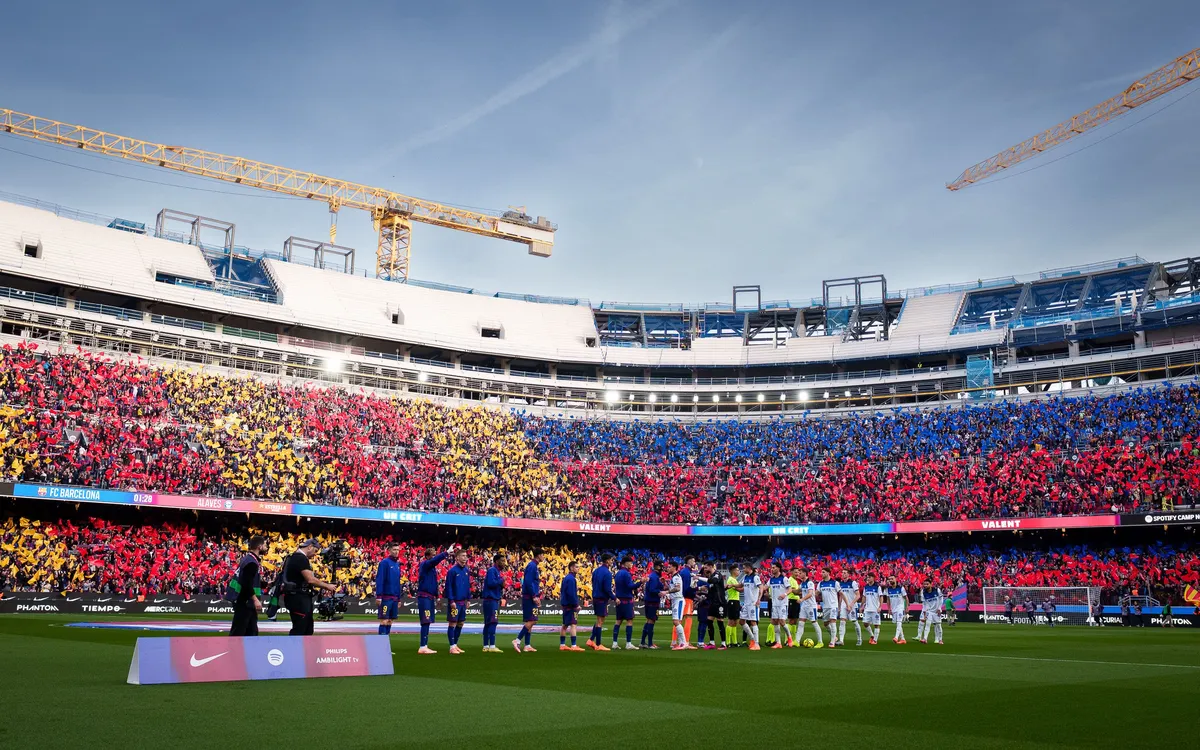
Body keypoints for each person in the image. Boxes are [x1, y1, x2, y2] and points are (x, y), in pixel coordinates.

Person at [282, 538, 337, 637]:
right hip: (299, 598)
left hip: (296, 597)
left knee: (305, 628)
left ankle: (300, 651)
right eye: (315, 551)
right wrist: (327, 586)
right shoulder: (300, 558)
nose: (315, 554)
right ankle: (294, 651)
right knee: (301, 629)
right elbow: (310, 579)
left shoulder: (293, 557)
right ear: (310, 547)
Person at [416, 545, 455, 654]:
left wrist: (437, 597)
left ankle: (424, 645)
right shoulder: (425, 564)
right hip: (424, 596)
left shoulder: (431, 569)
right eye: (433, 556)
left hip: (429, 597)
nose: (434, 558)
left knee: (427, 621)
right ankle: (423, 646)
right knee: (425, 621)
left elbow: (434, 584)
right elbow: (434, 561)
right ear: (427, 556)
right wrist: (445, 553)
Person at [228, 535, 267, 637]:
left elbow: (248, 579)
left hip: (243, 600)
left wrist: (265, 584)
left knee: (251, 631)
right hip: (245, 602)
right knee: (240, 631)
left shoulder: (248, 559)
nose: (266, 547)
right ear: (259, 546)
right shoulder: (252, 563)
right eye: (265, 545)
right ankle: (234, 651)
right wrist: (255, 600)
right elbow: (246, 583)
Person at [514, 550, 544, 653]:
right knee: (532, 620)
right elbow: (528, 582)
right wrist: (534, 596)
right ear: (538, 555)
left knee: (530, 621)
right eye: (542, 554)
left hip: (530, 596)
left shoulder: (533, 566)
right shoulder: (532, 566)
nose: (543, 557)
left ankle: (527, 645)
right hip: (530, 597)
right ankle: (517, 640)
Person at [444, 549, 471, 654]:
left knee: (461, 623)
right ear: (457, 558)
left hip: (463, 602)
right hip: (455, 601)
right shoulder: (452, 571)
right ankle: (451, 647)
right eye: (463, 556)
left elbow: (468, 586)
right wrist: (451, 601)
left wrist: (468, 599)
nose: (465, 558)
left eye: (466, 556)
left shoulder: (466, 571)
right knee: (452, 623)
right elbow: (448, 587)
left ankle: (455, 644)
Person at [613, 555, 642, 650]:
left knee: (618, 621)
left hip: (619, 599)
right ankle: (628, 643)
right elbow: (630, 586)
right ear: (626, 563)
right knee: (629, 620)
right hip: (626, 599)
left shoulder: (618, 573)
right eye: (630, 562)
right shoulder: (626, 574)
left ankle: (614, 643)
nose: (632, 564)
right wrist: (640, 582)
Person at [588, 553, 614, 651]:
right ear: (607, 561)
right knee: (600, 621)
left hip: (596, 597)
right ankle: (598, 644)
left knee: (600, 619)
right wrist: (614, 598)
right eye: (611, 560)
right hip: (602, 598)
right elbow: (607, 589)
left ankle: (591, 640)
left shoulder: (596, 571)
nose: (612, 562)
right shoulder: (607, 573)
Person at [374, 542, 401, 636]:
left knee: (390, 621)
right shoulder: (384, 563)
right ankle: (380, 646)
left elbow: (397, 583)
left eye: (398, 550)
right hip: (385, 597)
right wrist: (379, 596)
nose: (396, 551)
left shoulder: (397, 564)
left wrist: (399, 598)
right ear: (389, 550)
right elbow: (380, 579)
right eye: (394, 549)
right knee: (384, 621)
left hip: (394, 598)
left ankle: (385, 646)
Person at [481, 553, 506, 652]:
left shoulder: (496, 571)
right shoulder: (493, 570)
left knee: (488, 623)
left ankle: (486, 646)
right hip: (491, 600)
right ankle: (492, 646)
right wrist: (501, 581)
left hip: (491, 599)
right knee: (492, 622)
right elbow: (491, 583)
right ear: (496, 561)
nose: (504, 563)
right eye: (502, 561)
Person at [736, 563, 762, 651]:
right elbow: (740, 585)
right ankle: (752, 639)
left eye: (744, 568)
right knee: (741, 621)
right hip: (746, 604)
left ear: (749, 568)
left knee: (753, 622)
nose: (743, 570)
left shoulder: (755, 577)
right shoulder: (746, 577)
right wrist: (731, 586)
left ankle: (757, 644)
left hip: (753, 604)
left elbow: (761, 587)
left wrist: (759, 599)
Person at [559, 561, 584, 651]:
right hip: (570, 606)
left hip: (566, 605)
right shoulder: (571, 579)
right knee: (573, 624)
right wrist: (576, 605)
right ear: (571, 568)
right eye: (576, 567)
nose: (578, 568)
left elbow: (563, 592)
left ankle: (562, 645)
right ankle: (573, 646)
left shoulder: (566, 578)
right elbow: (571, 593)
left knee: (564, 625)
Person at [666, 561, 690, 651]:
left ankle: (683, 643)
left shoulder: (676, 577)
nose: (667, 568)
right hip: (676, 600)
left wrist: (666, 592)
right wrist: (665, 584)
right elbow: (673, 587)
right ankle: (681, 642)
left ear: (674, 568)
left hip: (678, 600)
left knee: (676, 621)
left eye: (669, 567)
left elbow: (678, 588)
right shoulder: (674, 577)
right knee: (677, 622)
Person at [795, 568, 823, 648]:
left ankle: (820, 642)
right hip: (804, 606)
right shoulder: (802, 583)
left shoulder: (809, 583)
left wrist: (802, 599)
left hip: (811, 606)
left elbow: (810, 594)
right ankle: (797, 641)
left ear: (805, 573)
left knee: (814, 623)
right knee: (801, 623)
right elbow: (798, 591)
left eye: (800, 573)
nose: (799, 574)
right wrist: (789, 589)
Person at [704, 562, 728, 649]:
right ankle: (711, 643)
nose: (705, 569)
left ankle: (724, 644)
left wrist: (698, 578)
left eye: (706, 567)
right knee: (709, 621)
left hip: (720, 602)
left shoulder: (717, 574)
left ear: (711, 566)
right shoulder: (710, 576)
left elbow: (713, 581)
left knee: (720, 621)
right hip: (713, 602)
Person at [641, 561, 663, 648]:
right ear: (657, 567)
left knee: (649, 620)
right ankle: (650, 643)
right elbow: (652, 589)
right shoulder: (654, 577)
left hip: (650, 601)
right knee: (651, 621)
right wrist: (660, 592)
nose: (662, 568)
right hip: (652, 601)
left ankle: (643, 642)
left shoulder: (653, 576)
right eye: (661, 566)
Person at [767, 561, 789, 649]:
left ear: (778, 568)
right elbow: (765, 587)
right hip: (774, 604)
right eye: (771, 568)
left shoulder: (784, 579)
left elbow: (790, 589)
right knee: (775, 622)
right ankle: (778, 643)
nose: (772, 569)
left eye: (773, 568)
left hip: (783, 604)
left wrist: (785, 594)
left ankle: (789, 637)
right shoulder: (771, 579)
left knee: (782, 622)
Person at [837, 568, 862, 647]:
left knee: (855, 622)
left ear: (848, 574)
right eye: (842, 573)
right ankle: (841, 640)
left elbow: (858, 595)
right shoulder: (840, 584)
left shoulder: (853, 583)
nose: (843, 574)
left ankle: (859, 639)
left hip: (852, 606)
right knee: (842, 621)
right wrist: (839, 606)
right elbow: (841, 596)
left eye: (845, 573)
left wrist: (851, 604)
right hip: (844, 605)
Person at [818, 568, 840, 648]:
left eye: (823, 572)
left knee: (832, 621)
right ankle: (835, 637)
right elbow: (816, 593)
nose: (821, 573)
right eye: (821, 572)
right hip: (825, 606)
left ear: (828, 573)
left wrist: (847, 604)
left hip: (833, 606)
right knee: (825, 623)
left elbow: (841, 593)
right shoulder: (820, 583)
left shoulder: (835, 583)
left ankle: (832, 641)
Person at [693, 563, 712, 649]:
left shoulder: (705, 579)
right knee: (703, 622)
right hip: (704, 603)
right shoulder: (702, 580)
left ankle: (700, 641)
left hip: (705, 603)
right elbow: (695, 591)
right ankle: (700, 641)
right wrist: (700, 597)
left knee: (703, 622)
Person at [861, 572, 883, 645]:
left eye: (869, 577)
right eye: (867, 577)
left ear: (873, 578)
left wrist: (880, 606)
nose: (868, 578)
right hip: (867, 608)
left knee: (876, 624)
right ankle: (872, 635)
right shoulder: (866, 587)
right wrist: (861, 606)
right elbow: (864, 597)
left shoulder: (877, 587)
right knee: (865, 623)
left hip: (875, 609)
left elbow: (881, 597)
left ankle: (875, 640)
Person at [885, 575, 907, 644]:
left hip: (900, 607)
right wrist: (889, 609)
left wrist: (907, 607)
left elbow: (906, 598)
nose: (891, 580)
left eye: (892, 579)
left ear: (895, 579)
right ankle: (903, 639)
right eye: (889, 579)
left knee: (899, 622)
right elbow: (888, 600)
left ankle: (896, 637)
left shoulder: (901, 588)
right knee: (897, 623)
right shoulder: (888, 589)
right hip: (894, 609)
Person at [725, 564, 742, 648]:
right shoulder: (731, 580)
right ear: (733, 571)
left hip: (736, 601)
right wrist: (745, 585)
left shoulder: (734, 580)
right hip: (732, 601)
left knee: (735, 621)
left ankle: (734, 642)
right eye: (737, 570)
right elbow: (739, 589)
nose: (739, 571)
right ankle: (728, 642)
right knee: (731, 621)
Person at [785, 567, 801, 647]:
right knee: (791, 620)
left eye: (798, 572)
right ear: (791, 572)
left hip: (796, 602)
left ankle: (794, 640)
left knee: (795, 621)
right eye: (795, 572)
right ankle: (787, 640)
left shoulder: (795, 581)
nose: (797, 574)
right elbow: (794, 592)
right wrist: (804, 592)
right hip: (792, 601)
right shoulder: (790, 580)